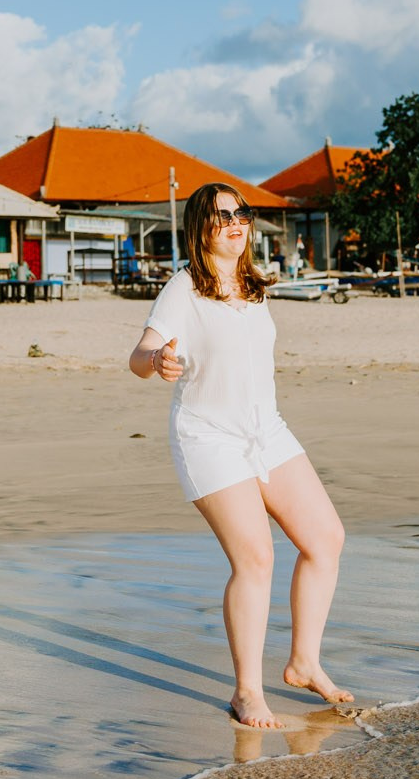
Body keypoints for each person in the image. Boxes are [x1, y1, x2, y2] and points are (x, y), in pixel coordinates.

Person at [129, 182, 352, 729]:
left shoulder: (254, 287)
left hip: (265, 431)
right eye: (222, 214)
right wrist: (158, 360)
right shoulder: (184, 287)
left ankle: (303, 661)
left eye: (241, 213)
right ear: (200, 226)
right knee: (255, 558)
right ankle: (247, 692)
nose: (235, 222)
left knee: (326, 539)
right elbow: (137, 356)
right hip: (208, 436)